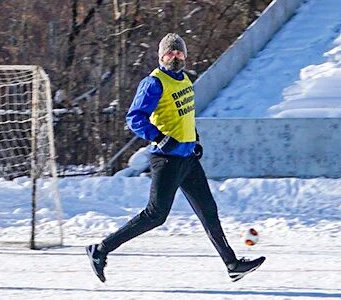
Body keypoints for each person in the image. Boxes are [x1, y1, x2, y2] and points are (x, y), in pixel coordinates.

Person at [87, 32, 264, 284]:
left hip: (188, 159)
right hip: (166, 159)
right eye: (170, 52)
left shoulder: (184, 81)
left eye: (179, 52)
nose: (175, 56)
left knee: (209, 211)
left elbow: (185, 117)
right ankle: (100, 250)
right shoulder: (154, 83)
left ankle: (232, 264)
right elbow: (134, 118)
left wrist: (195, 140)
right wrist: (159, 137)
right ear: (161, 56)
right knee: (155, 216)